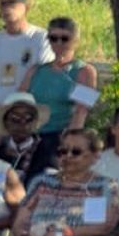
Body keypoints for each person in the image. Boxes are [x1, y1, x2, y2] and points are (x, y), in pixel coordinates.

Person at [18, 16, 93, 180]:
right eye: (53, 38)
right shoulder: (36, 71)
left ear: (75, 41)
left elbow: (81, 112)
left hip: (59, 136)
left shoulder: (84, 72)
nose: (59, 43)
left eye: (64, 39)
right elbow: (17, 103)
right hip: (29, 134)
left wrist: (67, 146)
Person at [0, 94, 48, 180]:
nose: (22, 124)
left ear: (35, 122)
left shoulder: (47, 154)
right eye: (15, 119)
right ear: (5, 123)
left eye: (28, 118)